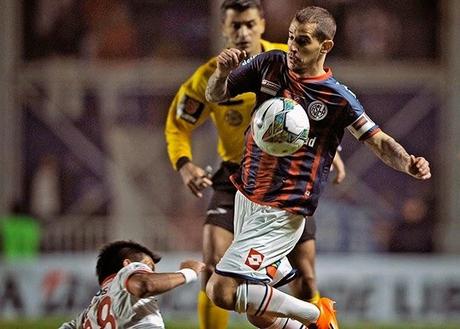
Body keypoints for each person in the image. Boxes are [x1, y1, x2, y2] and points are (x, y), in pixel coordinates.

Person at [205, 5, 431, 329]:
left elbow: (377, 141)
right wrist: (221, 73)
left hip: (281, 212)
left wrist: (408, 162)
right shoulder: (271, 64)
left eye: (304, 41)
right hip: (247, 199)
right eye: (291, 38)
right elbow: (216, 95)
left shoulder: (338, 98)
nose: (293, 48)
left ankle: (317, 316)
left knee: (222, 289)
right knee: (259, 313)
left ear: (326, 46)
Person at [164, 1, 346, 328]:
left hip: (287, 182)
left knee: (305, 279)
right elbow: (179, 123)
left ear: (263, 23)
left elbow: (325, 109)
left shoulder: (288, 60)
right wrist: (184, 163)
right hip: (234, 179)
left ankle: (318, 320)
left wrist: (333, 155)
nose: (243, 32)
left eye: (249, 23)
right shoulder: (211, 75)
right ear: (224, 29)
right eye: (235, 26)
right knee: (215, 267)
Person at [59, 240, 205, 329]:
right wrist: (189, 272)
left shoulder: (90, 313)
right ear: (127, 264)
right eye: (149, 266)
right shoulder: (128, 272)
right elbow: (144, 285)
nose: (152, 273)